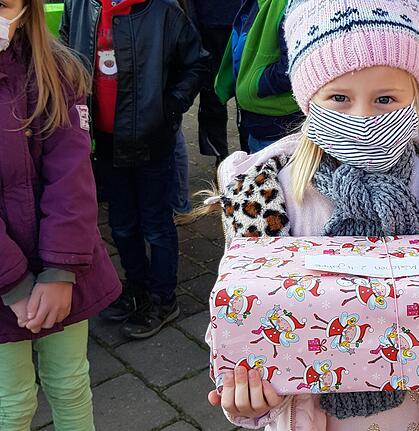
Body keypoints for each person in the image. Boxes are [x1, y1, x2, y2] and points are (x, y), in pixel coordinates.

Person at [192, 1, 419, 429]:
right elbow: (247, 315)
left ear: (415, 95)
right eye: (339, 97)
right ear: (308, 99)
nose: (362, 117)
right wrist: (250, 401)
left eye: (385, 98)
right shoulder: (268, 195)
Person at [0, 0, 121, 428]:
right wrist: (12, 282)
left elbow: (73, 175)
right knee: (12, 403)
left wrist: (59, 270)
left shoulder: (55, 70)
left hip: (65, 269)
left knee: (71, 383)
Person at [60, 0, 207, 338]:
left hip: (150, 137)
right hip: (105, 139)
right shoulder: (80, 6)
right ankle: (136, 286)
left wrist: (169, 109)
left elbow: (197, 63)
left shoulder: (164, 11)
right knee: (122, 223)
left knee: (155, 223)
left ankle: (163, 298)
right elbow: (67, 50)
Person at [214, 0, 303, 155]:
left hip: (278, 123)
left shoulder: (293, 6)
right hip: (254, 113)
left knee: (273, 174)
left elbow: (295, 64)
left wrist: (255, 84)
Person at [188, 0, 240, 163]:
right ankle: (219, 153)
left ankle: (250, 152)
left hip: (242, 18)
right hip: (208, 22)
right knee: (212, 92)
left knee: (245, 88)